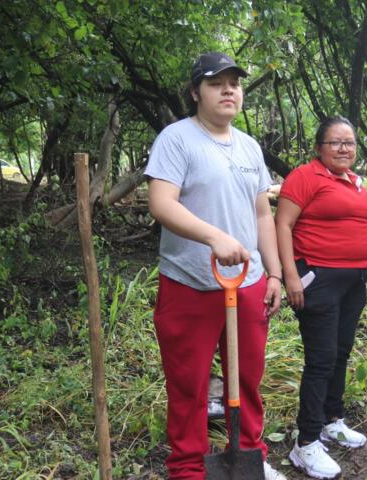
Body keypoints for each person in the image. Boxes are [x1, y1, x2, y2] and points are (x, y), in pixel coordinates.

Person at [145, 52, 286, 480]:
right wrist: (214, 236)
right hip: (189, 283)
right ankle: (188, 468)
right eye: (215, 83)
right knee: (188, 386)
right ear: (195, 93)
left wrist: (275, 272)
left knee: (246, 381)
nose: (229, 90)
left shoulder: (249, 147)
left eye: (235, 83)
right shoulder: (176, 138)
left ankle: (248, 459)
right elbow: (161, 203)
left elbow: (263, 215)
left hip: (247, 284)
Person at [276, 116, 367, 480]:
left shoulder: (356, 183)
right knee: (321, 358)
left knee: (341, 351)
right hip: (317, 277)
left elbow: (361, 230)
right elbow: (283, 224)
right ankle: (304, 443)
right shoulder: (305, 177)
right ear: (319, 147)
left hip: (353, 280)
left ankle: (330, 420)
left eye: (349, 142)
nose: (343, 148)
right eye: (335, 142)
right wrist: (290, 276)